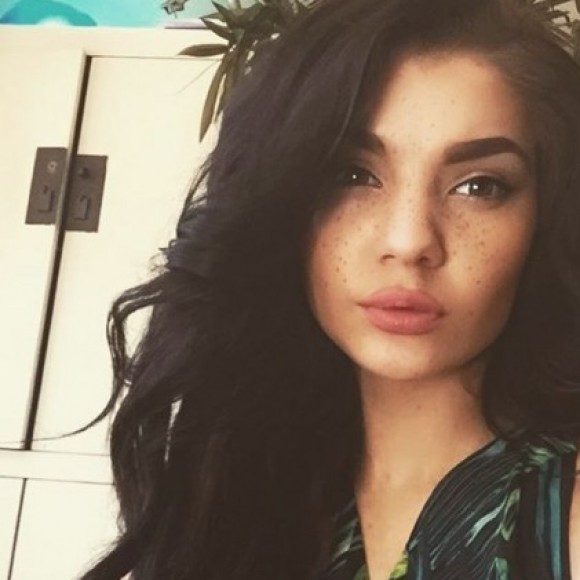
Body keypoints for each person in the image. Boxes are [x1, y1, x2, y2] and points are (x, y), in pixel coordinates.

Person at [81, 0, 580, 578]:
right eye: (353, 175)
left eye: (480, 186)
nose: (409, 240)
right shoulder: (237, 489)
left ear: (546, 220)